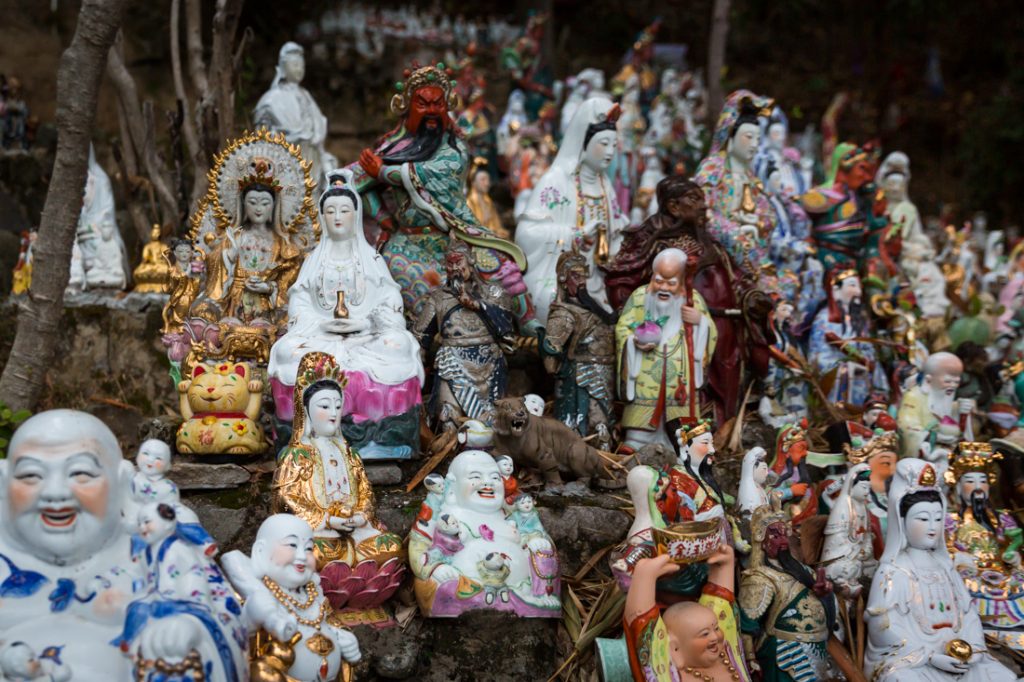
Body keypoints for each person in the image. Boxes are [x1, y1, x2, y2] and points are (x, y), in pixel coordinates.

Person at [268, 169, 424, 458]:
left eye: (344, 210)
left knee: (399, 346)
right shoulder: (314, 260)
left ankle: (381, 440)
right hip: (320, 337)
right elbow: (299, 304)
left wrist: (365, 322)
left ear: (356, 214)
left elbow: (390, 302)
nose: (337, 217)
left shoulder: (372, 259)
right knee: (288, 351)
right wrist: (322, 324)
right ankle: (305, 438)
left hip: (366, 337)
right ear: (322, 217)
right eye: (330, 211)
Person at [864, 458, 1016, 681]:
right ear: (902, 520)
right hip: (916, 661)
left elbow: (969, 615)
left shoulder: (946, 566)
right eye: (923, 519)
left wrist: (973, 649)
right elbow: (882, 627)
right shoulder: (893, 571)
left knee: (1003, 676)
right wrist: (930, 656)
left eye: (938, 518)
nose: (933, 527)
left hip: (961, 658)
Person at [516, 97, 627, 323]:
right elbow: (526, 233)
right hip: (561, 275)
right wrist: (576, 235)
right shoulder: (556, 181)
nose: (609, 152)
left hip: (600, 273)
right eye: (603, 143)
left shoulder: (605, 185)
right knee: (556, 306)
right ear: (583, 143)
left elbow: (616, 226)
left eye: (614, 145)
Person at [615, 248, 716, 449]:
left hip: (680, 378)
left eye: (671, 283)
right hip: (645, 374)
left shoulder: (693, 300)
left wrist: (700, 322)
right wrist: (634, 342)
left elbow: (711, 332)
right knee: (637, 440)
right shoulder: (640, 297)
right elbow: (622, 328)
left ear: (682, 280)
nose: (664, 288)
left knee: (679, 439)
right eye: (659, 281)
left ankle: (678, 452)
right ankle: (637, 442)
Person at [624, 547, 751, 682]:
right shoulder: (667, 673)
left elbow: (722, 601)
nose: (715, 636)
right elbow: (641, 626)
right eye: (704, 634)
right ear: (675, 648)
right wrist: (644, 577)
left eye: (716, 628)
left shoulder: (727, 651)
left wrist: (724, 565)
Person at [253, 42, 338, 189]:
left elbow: (317, 132)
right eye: (295, 65)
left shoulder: (306, 96)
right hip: (286, 163)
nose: (299, 69)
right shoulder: (271, 100)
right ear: (283, 68)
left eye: (302, 65)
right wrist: (291, 139)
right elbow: (261, 140)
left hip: (313, 161)